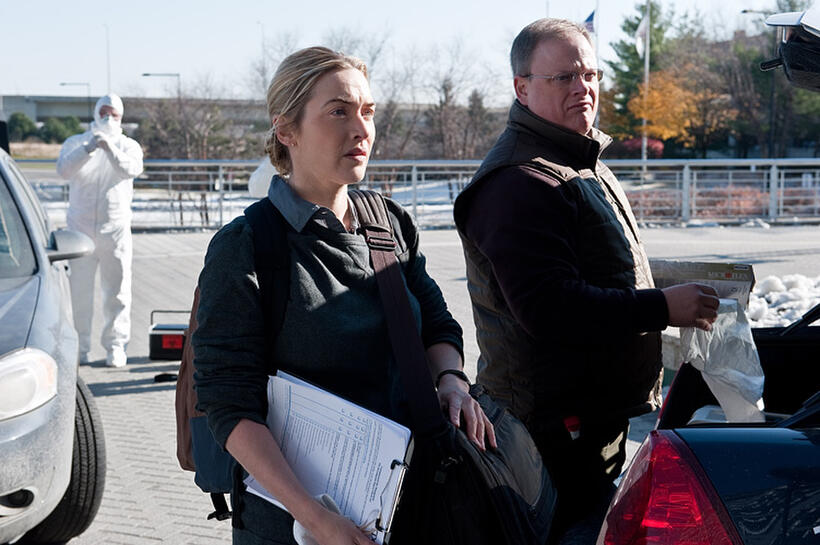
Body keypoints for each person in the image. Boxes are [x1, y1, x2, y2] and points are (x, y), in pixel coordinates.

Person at [193, 46, 496, 545]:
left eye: (368, 111)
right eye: (338, 111)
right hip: (297, 524)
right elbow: (229, 406)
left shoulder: (389, 223)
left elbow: (438, 325)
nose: (361, 129)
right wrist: (314, 518)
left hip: (412, 504)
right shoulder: (248, 246)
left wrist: (451, 380)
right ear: (286, 129)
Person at [453, 19, 720, 544]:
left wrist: (675, 288)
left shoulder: (576, 160)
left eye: (591, 74)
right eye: (564, 77)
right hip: (552, 432)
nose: (584, 87)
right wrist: (663, 306)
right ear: (522, 87)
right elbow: (549, 308)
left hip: (590, 420)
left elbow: (598, 269)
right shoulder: (519, 180)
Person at [57, 94, 144, 368]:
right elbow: (63, 171)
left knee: (117, 291)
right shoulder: (77, 143)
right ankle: (80, 347)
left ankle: (116, 346)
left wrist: (110, 149)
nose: (108, 118)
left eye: (114, 114)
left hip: (115, 230)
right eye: (104, 112)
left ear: (121, 116)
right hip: (79, 232)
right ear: (96, 113)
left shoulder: (128, 146)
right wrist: (89, 148)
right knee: (79, 293)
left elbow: (132, 169)